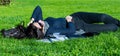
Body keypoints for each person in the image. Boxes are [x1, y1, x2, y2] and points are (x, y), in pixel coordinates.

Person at [28, 5, 120, 38]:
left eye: (38, 21)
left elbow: (38, 8)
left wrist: (31, 20)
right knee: (113, 27)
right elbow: (71, 31)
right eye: (39, 23)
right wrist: (69, 21)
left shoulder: (41, 23)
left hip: (77, 16)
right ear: (40, 30)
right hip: (80, 27)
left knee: (103, 17)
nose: (40, 21)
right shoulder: (50, 31)